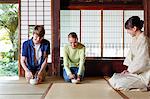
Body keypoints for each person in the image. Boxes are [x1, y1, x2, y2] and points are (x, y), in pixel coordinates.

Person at [109, 16, 150, 91]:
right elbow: (132, 57)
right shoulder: (135, 39)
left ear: (134, 28)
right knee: (114, 78)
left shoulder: (144, 40)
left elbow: (142, 61)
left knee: (118, 83)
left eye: (128, 29)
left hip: (144, 76)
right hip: (136, 72)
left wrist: (130, 71)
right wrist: (128, 70)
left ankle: (145, 87)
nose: (127, 32)